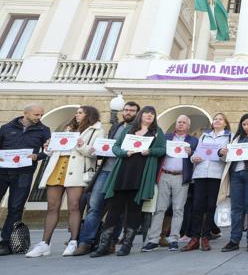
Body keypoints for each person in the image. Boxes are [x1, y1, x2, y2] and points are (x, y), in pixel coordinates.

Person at [26, 106, 104, 257]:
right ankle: (44, 244)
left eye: (80, 113)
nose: (77, 115)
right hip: (58, 167)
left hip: (76, 169)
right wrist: (48, 147)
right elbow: (51, 150)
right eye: (77, 113)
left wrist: (81, 145)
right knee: (52, 206)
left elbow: (95, 152)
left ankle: (73, 242)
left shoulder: (97, 130)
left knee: (74, 206)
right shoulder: (67, 128)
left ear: (89, 115)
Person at [91, 106, 165, 257]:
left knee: (134, 209)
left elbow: (162, 149)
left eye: (152, 113)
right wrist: (125, 153)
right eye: (146, 113)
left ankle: (127, 245)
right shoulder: (129, 130)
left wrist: (150, 151)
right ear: (141, 115)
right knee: (114, 209)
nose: (149, 116)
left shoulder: (157, 132)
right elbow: (116, 147)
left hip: (142, 174)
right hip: (123, 172)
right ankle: (104, 245)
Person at [73, 101, 140, 256]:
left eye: (132, 110)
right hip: (106, 169)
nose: (128, 112)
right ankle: (85, 242)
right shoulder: (116, 127)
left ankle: (110, 242)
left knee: (118, 209)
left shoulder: (138, 129)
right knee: (94, 207)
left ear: (137, 113)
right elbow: (109, 145)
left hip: (122, 172)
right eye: (126, 110)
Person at [141, 115, 198, 252]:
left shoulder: (193, 140)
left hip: (181, 177)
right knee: (160, 208)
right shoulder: (165, 137)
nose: (181, 124)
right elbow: (158, 151)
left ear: (188, 126)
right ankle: (153, 239)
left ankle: (173, 239)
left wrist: (192, 153)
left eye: (184, 122)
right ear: (175, 123)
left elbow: (197, 157)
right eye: (179, 122)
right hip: (164, 175)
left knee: (178, 209)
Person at [0, 104, 50, 256]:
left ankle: (5, 243)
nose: (39, 117)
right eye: (36, 114)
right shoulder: (6, 128)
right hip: (2, 172)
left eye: (41, 114)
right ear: (25, 113)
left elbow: (49, 150)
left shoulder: (44, 130)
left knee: (15, 208)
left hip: (24, 174)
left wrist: (38, 156)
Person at [181, 113, 231, 251]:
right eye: (215, 119)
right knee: (197, 206)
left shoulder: (229, 137)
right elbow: (196, 154)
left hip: (216, 174)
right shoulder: (204, 135)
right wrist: (194, 158)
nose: (217, 121)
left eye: (220, 119)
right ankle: (195, 238)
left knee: (210, 207)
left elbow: (228, 158)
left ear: (225, 123)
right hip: (201, 173)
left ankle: (206, 237)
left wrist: (222, 154)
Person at [217, 114, 248, 252]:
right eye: (244, 124)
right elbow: (226, 158)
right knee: (236, 209)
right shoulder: (235, 138)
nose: (246, 127)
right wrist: (221, 152)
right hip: (236, 175)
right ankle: (234, 240)